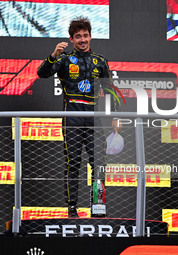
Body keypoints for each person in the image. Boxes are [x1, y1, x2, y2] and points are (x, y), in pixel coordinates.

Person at [37, 17, 121, 217]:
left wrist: (115, 118)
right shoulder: (64, 59)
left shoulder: (100, 61)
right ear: (71, 39)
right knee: (73, 163)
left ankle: (98, 207)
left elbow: (112, 91)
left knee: (98, 163)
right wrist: (53, 55)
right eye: (78, 37)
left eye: (85, 36)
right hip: (72, 119)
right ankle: (72, 209)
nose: (82, 40)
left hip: (93, 119)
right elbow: (42, 73)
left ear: (90, 36)